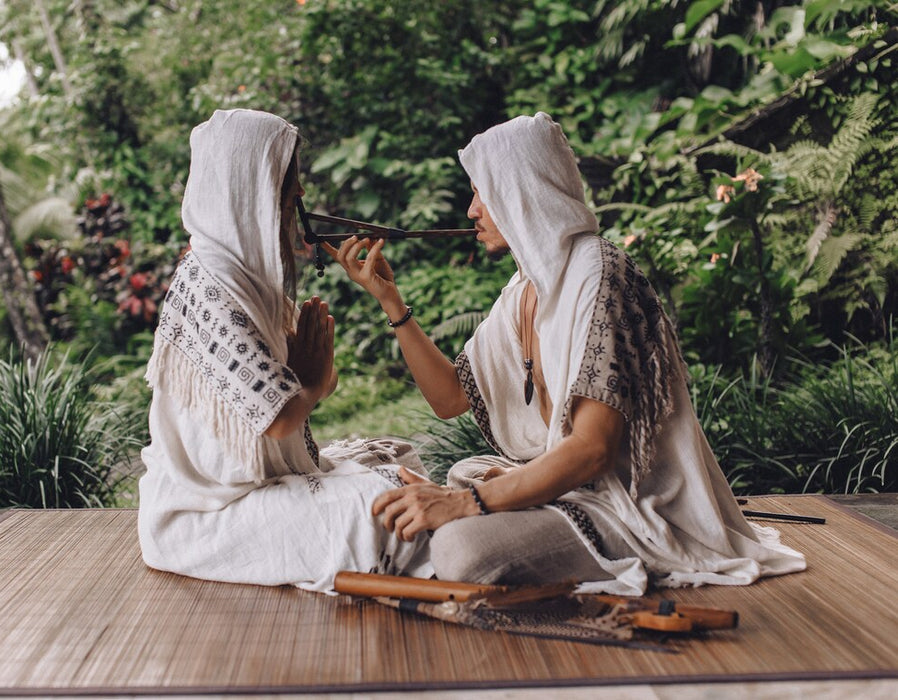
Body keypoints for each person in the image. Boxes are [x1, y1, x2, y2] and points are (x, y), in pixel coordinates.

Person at [325, 112, 805, 595]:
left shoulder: (599, 276)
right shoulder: (525, 289)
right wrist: (390, 300)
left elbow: (594, 450)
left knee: (461, 551)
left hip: (631, 506)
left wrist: (468, 503)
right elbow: (450, 398)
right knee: (461, 473)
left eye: (481, 192)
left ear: (522, 189)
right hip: (582, 491)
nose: (472, 211)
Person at [137, 109, 432, 593]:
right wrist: (312, 385)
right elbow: (277, 419)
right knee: (388, 502)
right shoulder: (211, 282)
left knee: (401, 462)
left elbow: (281, 401)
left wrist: (311, 382)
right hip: (206, 516)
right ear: (248, 185)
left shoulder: (241, 277)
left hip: (246, 500)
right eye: (287, 180)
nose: (298, 195)